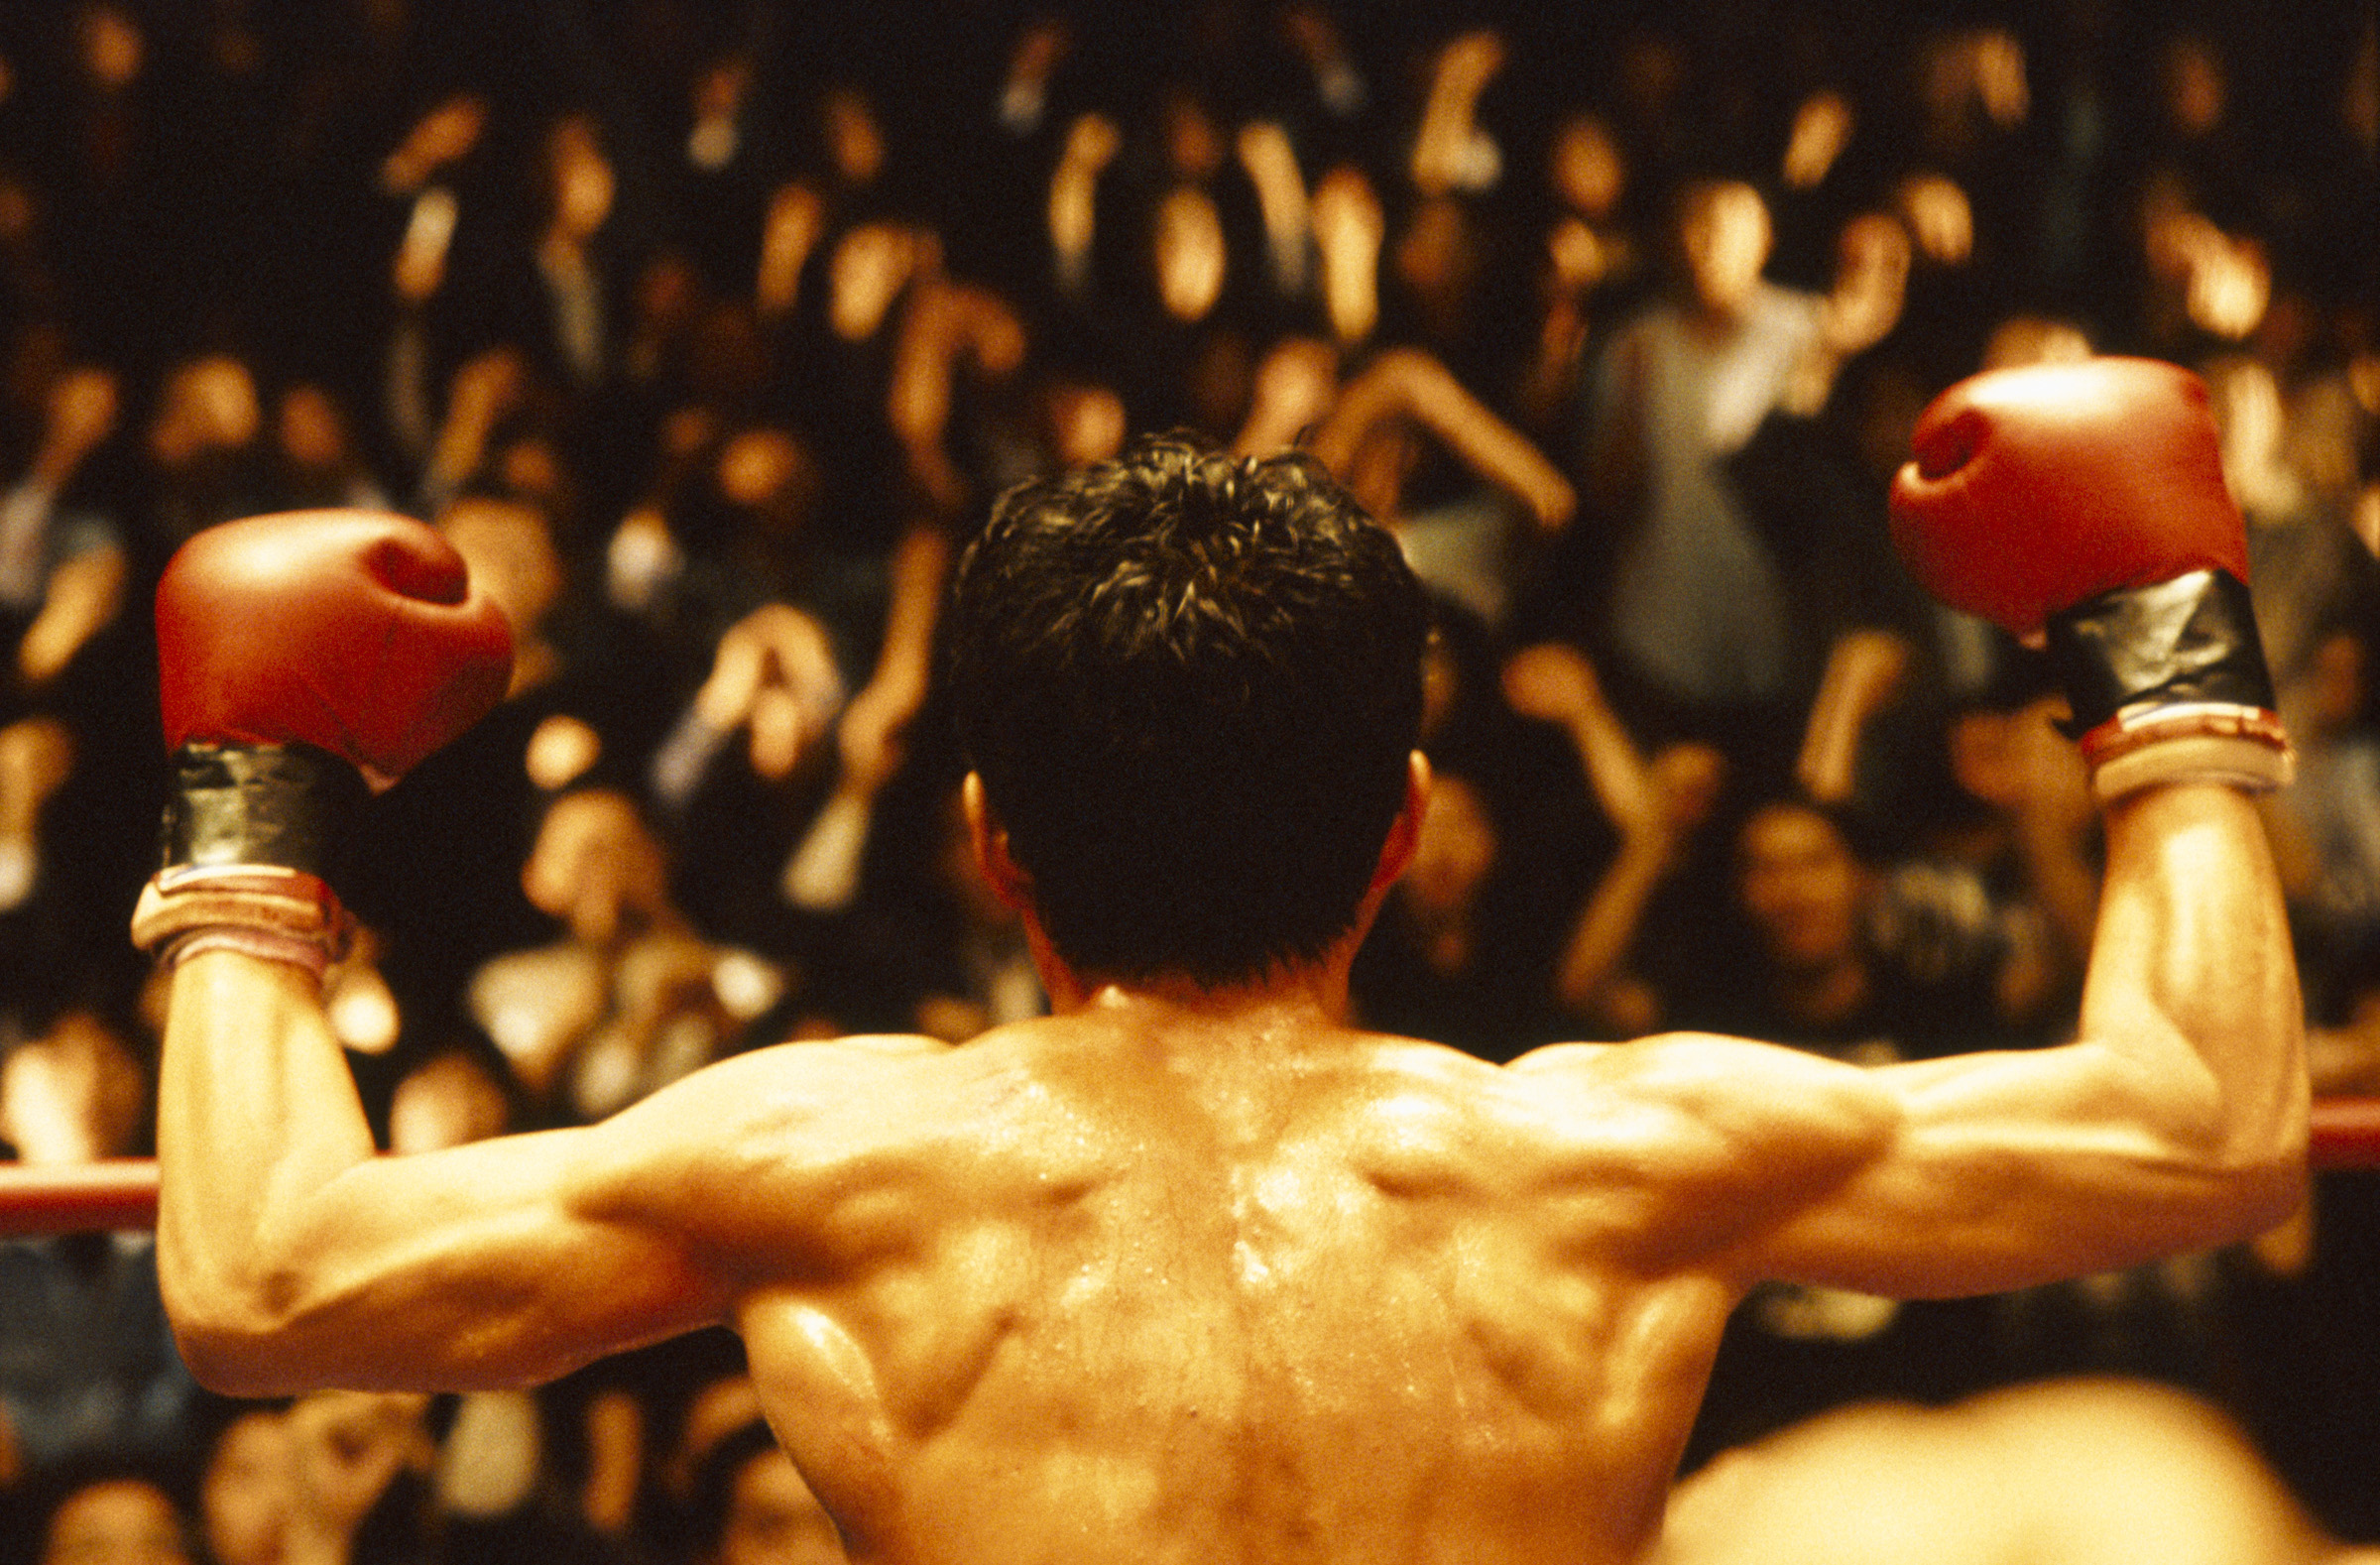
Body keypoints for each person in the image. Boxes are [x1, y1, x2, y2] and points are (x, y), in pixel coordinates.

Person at [140, 358, 2304, 1565]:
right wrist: (2162, 653)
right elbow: (2205, 1123)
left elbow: (260, 1274)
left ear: (992, 845)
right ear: (1403, 829)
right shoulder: (1612, 1165)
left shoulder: (835, 1168)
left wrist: (255, 794)